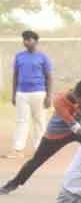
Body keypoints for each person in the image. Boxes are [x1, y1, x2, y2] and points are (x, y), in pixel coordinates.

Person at [0, 79, 81, 195]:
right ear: (79, 98)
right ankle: (12, 184)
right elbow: (77, 129)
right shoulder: (60, 100)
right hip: (56, 134)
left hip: (79, 129)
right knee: (35, 161)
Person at [9, 30, 52, 159]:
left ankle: (40, 150)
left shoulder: (42, 57)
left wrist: (49, 96)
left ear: (36, 41)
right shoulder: (19, 56)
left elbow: (49, 77)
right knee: (21, 121)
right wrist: (14, 93)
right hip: (22, 93)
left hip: (39, 93)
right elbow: (15, 75)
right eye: (24, 39)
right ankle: (18, 149)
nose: (26, 41)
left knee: (39, 121)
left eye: (29, 39)